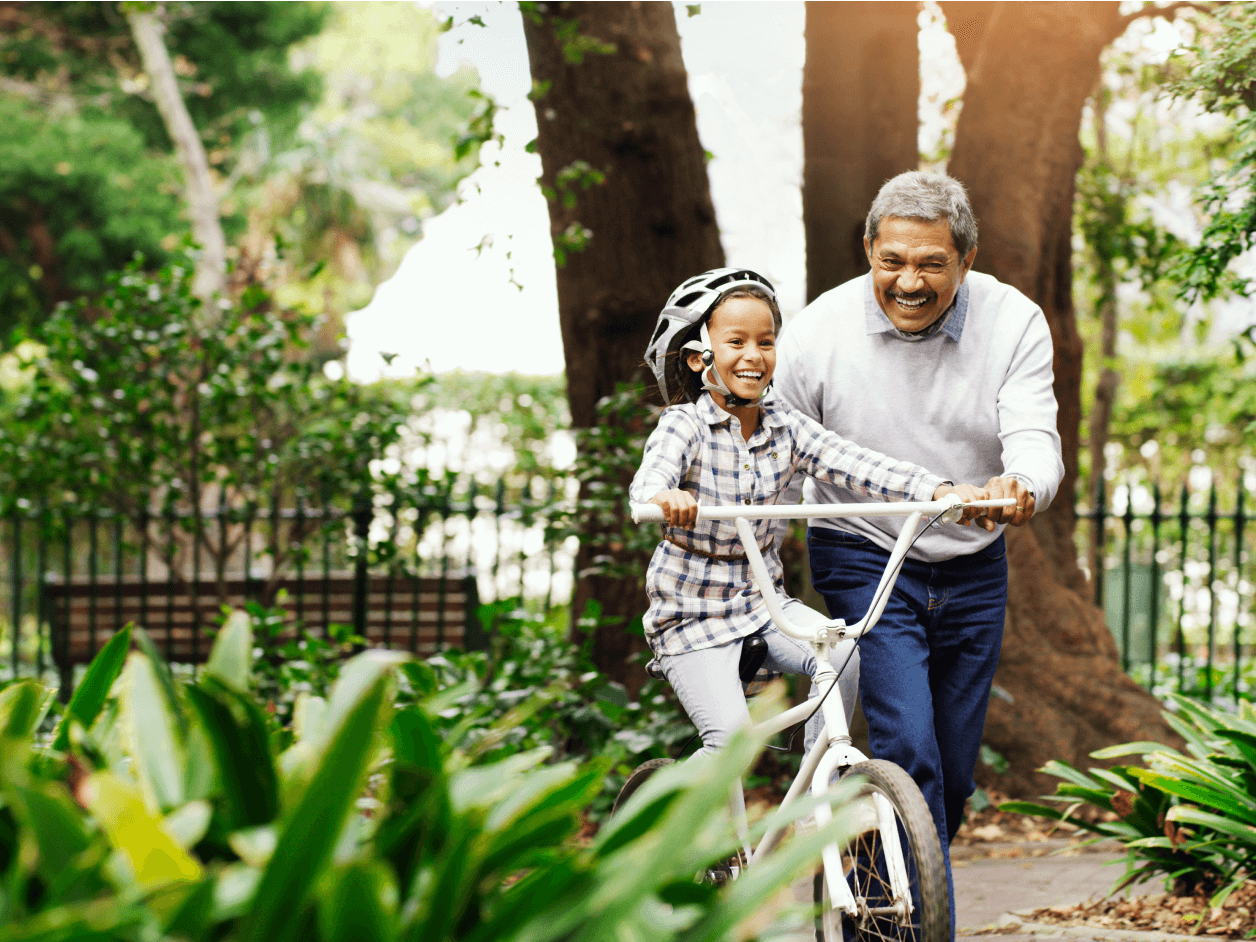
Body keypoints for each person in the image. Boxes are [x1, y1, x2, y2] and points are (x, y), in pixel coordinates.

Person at [773, 171, 1066, 928]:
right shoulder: (814, 334)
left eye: (931, 263)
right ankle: (909, 928)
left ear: (965, 260)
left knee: (954, 775)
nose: (909, 280)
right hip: (864, 548)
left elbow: (1033, 429)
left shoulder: (1013, 320)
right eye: (892, 259)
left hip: (973, 558)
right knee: (908, 743)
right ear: (869, 248)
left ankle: (885, 900)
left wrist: (1024, 484)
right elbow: (773, 453)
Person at [630, 267, 988, 760]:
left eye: (766, 341)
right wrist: (664, 499)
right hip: (692, 614)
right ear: (698, 358)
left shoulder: (786, 427)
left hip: (763, 606)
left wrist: (939, 489)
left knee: (840, 650)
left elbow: (857, 464)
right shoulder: (684, 426)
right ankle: (663, 831)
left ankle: (815, 798)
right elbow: (649, 484)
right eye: (736, 342)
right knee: (730, 744)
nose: (754, 355)